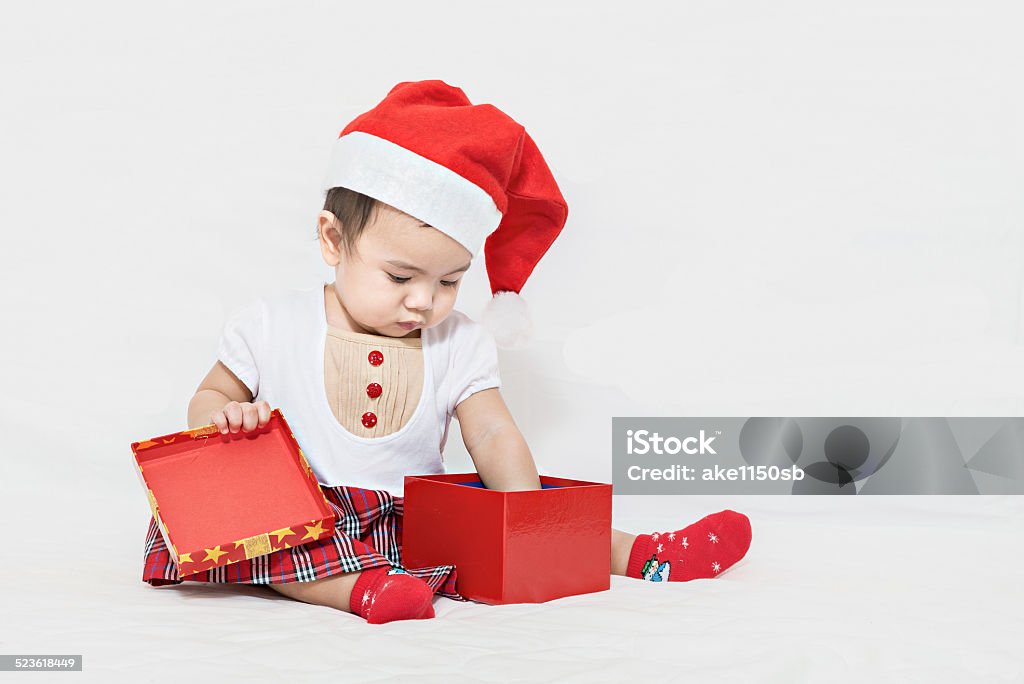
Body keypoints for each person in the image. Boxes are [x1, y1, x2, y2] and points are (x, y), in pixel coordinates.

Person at [141, 80, 753, 624]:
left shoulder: (458, 340)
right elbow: (212, 394)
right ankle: (353, 591)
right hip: (301, 514)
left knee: (490, 520)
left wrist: (524, 517)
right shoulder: (272, 324)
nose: (424, 303)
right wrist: (222, 417)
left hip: (408, 518)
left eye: (449, 281)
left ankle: (640, 554)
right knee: (264, 544)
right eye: (401, 277)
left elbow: (490, 436)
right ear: (332, 240)